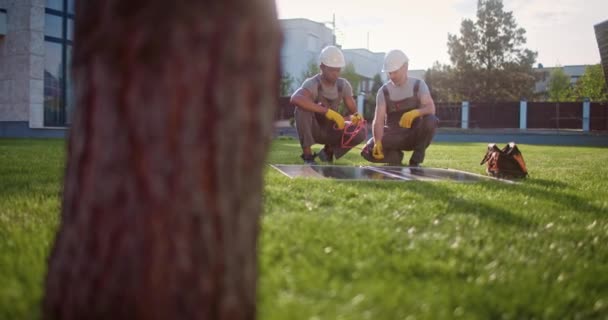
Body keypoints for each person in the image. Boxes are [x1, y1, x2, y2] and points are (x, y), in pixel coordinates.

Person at [361, 49, 438, 166]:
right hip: (394, 136)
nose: (392, 76)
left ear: (405, 67)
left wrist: (415, 113)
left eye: (395, 72)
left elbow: (430, 108)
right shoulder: (383, 91)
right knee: (367, 150)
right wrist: (377, 142)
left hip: (413, 136)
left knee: (431, 120)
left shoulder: (418, 85)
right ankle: (394, 156)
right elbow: (378, 120)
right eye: (389, 73)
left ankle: (417, 158)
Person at [290, 45, 366, 164]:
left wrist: (355, 117)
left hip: (332, 130)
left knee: (361, 130)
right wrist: (326, 111)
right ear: (322, 67)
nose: (335, 73)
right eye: (331, 69)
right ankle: (308, 156)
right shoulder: (312, 83)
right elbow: (295, 98)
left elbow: (353, 111)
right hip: (314, 130)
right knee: (301, 109)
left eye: (338, 70)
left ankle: (328, 151)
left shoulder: (343, 85)